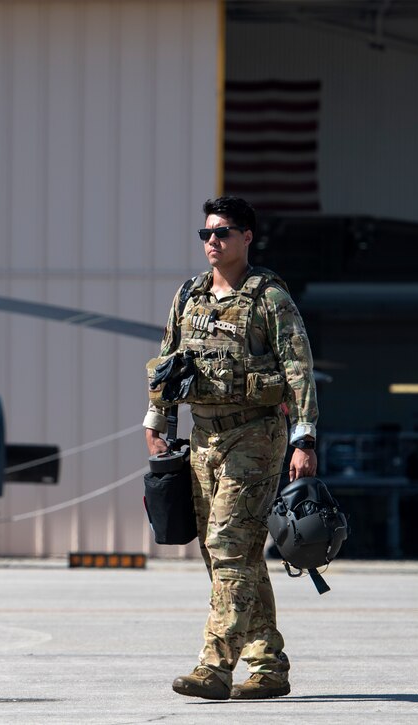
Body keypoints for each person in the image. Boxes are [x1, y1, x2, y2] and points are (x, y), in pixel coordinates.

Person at [143, 196, 319, 700]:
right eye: (206, 233)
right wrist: (157, 420)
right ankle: (268, 665)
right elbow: (167, 362)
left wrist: (304, 438)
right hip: (202, 438)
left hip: (256, 436)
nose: (212, 241)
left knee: (226, 545)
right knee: (229, 552)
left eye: (223, 232)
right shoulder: (189, 296)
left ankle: (214, 667)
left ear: (247, 238)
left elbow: (298, 369)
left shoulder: (269, 298)